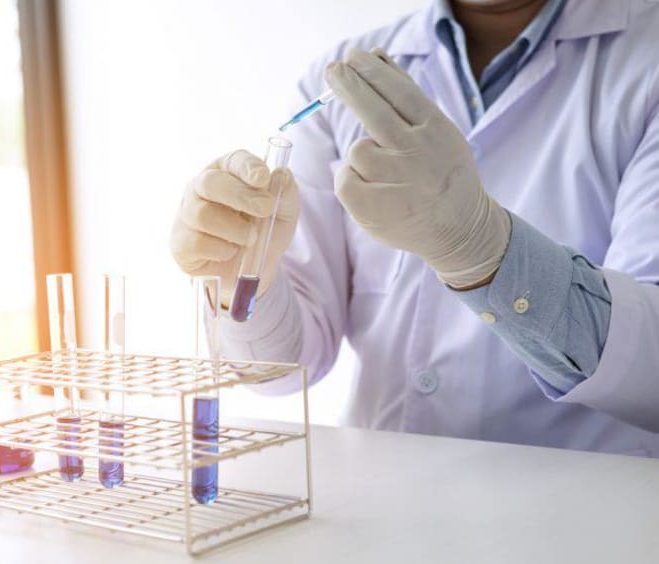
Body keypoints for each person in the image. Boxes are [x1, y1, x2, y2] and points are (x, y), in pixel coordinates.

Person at [170, 0, 659, 456]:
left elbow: (649, 371)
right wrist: (245, 279)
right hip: (380, 504)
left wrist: (480, 248)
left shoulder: (646, 59)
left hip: (581, 515)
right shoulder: (346, 71)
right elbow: (280, 371)